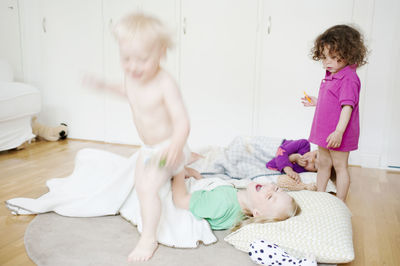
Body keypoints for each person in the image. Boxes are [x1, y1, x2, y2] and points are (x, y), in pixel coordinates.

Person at [84, 13, 190, 261]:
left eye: (142, 59)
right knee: (136, 178)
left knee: (146, 188)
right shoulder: (133, 77)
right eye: (126, 59)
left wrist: (176, 145)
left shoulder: (165, 83)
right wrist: (104, 86)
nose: (133, 66)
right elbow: (127, 91)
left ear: (161, 53)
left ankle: (148, 239)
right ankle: (181, 171)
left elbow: (182, 120)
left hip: (168, 148)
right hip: (148, 148)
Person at [301, 25, 367, 201]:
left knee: (340, 167)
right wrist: (317, 102)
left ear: (348, 54)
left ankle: (340, 203)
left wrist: (339, 132)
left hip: (339, 133)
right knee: (323, 163)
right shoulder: (333, 73)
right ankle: (320, 197)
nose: (327, 62)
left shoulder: (349, 78)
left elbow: (347, 107)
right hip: (324, 130)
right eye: (324, 57)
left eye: (333, 57)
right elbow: (334, 101)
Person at [171, 171, 300, 232]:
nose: (271, 188)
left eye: (270, 197)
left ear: (257, 214)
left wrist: (179, 170)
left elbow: (180, 201)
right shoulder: (238, 203)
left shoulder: (222, 202)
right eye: (277, 189)